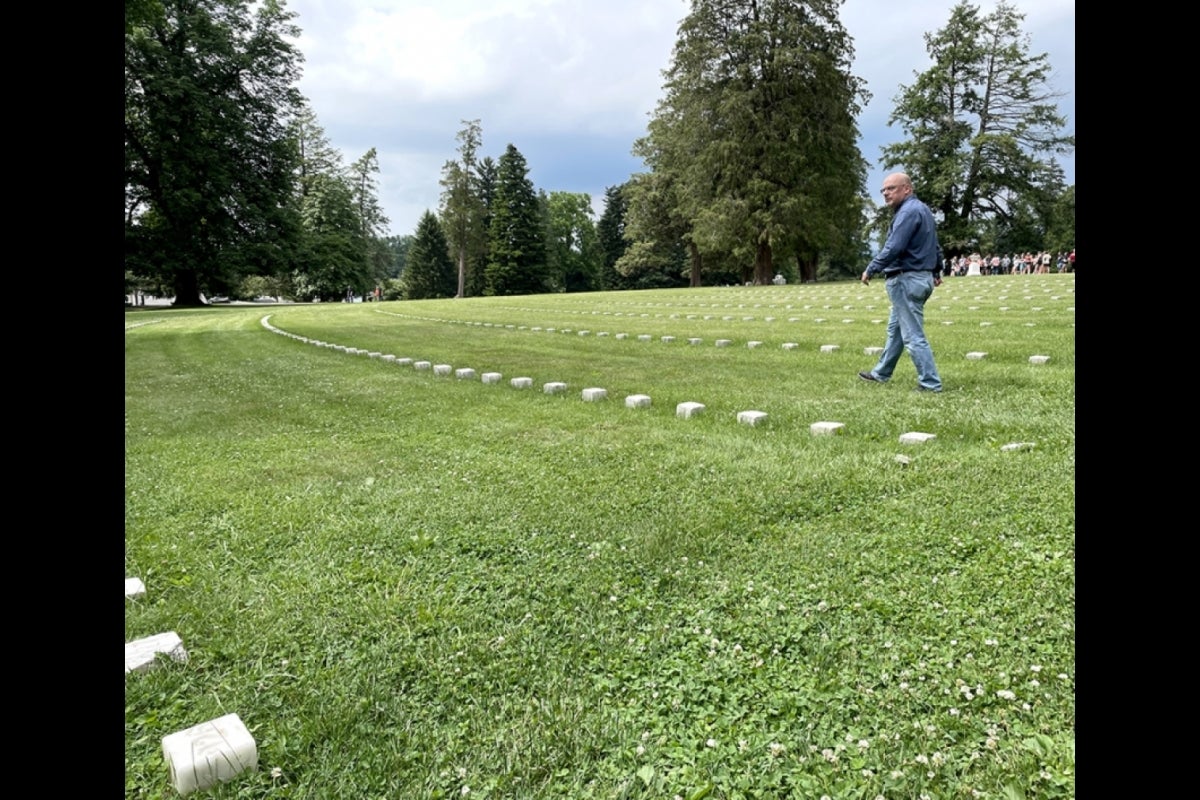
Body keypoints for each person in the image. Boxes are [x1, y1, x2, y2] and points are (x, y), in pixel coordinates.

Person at [859, 172, 943, 393]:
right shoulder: (923, 211)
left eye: (891, 188)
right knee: (895, 330)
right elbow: (935, 245)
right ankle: (881, 373)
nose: (886, 193)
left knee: (913, 335)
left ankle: (930, 383)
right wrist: (936, 270)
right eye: (884, 190)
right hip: (921, 277)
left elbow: (894, 247)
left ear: (907, 189)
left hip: (906, 278)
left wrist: (871, 267)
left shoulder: (907, 212)